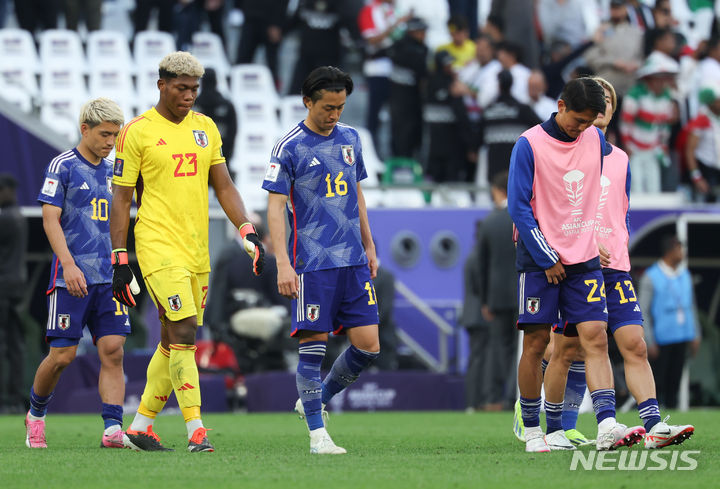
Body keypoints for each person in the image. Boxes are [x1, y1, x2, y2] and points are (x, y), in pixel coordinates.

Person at [110, 51, 265, 452]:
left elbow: (225, 185)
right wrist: (121, 259)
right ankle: (196, 428)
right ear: (162, 85)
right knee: (185, 332)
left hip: (197, 248)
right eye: (181, 88)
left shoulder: (206, 127)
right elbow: (122, 199)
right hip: (157, 245)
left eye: (194, 89)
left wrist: (246, 228)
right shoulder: (137, 131)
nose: (189, 96)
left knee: (170, 338)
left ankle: (141, 426)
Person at [542, 78, 694, 450]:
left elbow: (620, 211)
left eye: (609, 100)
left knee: (635, 344)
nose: (603, 105)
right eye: (599, 99)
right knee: (567, 349)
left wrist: (618, 243)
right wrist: (583, 241)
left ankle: (653, 425)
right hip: (578, 265)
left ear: (612, 110)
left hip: (615, 267)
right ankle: (551, 424)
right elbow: (555, 208)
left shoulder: (621, 158)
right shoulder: (565, 154)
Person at [507, 77, 644, 452]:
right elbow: (518, 207)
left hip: (583, 260)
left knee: (595, 337)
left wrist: (593, 239)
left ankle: (606, 425)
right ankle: (533, 428)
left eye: (589, 123)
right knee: (536, 344)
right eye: (577, 120)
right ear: (561, 105)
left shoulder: (596, 141)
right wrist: (548, 256)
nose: (582, 129)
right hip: (540, 259)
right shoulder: (529, 144)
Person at [263, 66, 380, 455]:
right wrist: (282, 261)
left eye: (340, 107)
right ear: (307, 101)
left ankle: (316, 398)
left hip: (353, 260)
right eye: (327, 107)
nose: (334, 115)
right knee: (313, 347)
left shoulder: (351, 138)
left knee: (368, 346)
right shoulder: (290, 146)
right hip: (313, 261)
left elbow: (357, 194)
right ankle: (318, 436)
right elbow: (275, 208)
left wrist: (369, 243)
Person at [24, 98, 128, 449]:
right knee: (63, 356)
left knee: (113, 350)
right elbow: (49, 218)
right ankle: (36, 414)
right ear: (85, 129)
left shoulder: (116, 171)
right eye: (104, 134)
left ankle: (113, 428)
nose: (110, 142)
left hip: (109, 278)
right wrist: (68, 264)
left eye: (115, 135)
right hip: (71, 277)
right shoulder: (63, 165)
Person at [639, 235, 701, 410]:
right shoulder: (651, 276)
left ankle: (674, 412)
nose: (682, 253)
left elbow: (691, 306)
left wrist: (696, 333)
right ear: (670, 251)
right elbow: (644, 310)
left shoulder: (685, 274)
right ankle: (654, 413)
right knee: (659, 379)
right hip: (661, 337)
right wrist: (649, 340)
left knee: (676, 377)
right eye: (679, 249)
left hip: (682, 334)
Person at [477, 171, 517, 410]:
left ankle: (501, 396)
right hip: (524, 294)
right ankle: (515, 395)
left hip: (497, 296)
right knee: (524, 347)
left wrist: (484, 300)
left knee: (502, 347)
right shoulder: (524, 217)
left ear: (497, 191)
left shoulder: (489, 222)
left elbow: (482, 264)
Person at [0, 174, 28, 414]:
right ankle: (16, 397)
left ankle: (7, 397)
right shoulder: (18, 217)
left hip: (4, 287)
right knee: (16, 344)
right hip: (17, 285)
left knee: (5, 343)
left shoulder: (6, 219)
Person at [388, 17, 429, 159]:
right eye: (421, 31)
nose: (424, 35)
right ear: (413, 32)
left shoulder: (421, 48)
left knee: (414, 130)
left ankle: (410, 160)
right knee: (401, 130)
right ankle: (399, 160)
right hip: (400, 97)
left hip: (414, 97)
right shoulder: (401, 46)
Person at [236, 0, 289, 86]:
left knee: (272, 65)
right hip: (250, 18)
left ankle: (274, 92)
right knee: (242, 60)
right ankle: (237, 89)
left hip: (271, 21)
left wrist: (278, 23)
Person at [194, 68, 238, 169]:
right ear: (216, 82)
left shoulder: (193, 106)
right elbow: (233, 132)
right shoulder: (227, 105)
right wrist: (228, 156)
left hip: (197, 161)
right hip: (222, 158)